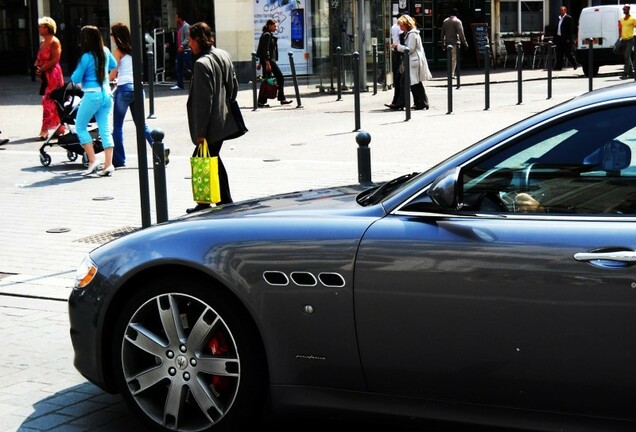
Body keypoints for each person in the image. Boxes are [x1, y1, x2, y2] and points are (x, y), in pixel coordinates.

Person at [186, 22, 240, 213]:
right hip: (223, 120)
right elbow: (234, 89)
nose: (188, 44)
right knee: (213, 159)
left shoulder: (201, 64)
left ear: (197, 40)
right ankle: (222, 201)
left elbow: (203, 102)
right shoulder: (223, 55)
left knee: (203, 159)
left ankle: (214, 202)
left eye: (190, 40)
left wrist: (200, 133)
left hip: (210, 126)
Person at [109, 23, 169, 168]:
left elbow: (112, 73)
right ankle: (160, 148)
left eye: (112, 35)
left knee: (117, 126)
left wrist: (107, 80)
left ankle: (119, 159)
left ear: (116, 36)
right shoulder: (134, 49)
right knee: (142, 124)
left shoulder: (117, 51)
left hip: (124, 89)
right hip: (137, 88)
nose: (110, 37)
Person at [71, 25, 118, 177]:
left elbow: (75, 78)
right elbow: (114, 65)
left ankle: (93, 160)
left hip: (92, 94)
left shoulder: (86, 57)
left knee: (80, 127)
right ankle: (108, 164)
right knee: (104, 129)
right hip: (107, 94)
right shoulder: (105, 51)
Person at [392, 14, 433, 110]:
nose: (400, 27)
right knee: (414, 82)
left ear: (407, 24)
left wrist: (397, 47)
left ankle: (408, 103)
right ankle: (421, 102)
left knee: (409, 82)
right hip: (412, 61)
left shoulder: (412, 34)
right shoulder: (410, 33)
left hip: (413, 62)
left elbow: (409, 49)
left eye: (402, 25)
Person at [34, 16, 65, 141]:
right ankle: (60, 128)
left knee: (48, 100)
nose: (39, 29)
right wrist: (36, 66)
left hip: (53, 75)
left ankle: (44, 130)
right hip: (44, 75)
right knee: (51, 101)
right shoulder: (42, 43)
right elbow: (39, 58)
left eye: (42, 26)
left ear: (48, 28)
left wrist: (43, 68)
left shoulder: (54, 41)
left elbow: (55, 59)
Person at [256, 19, 292, 107]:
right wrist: (267, 62)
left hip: (267, 61)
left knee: (266, 81)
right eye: (274, 26)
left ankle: (262, 101)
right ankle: (280, 98)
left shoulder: (266, 34)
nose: (276, 27)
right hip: (269, 61)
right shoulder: (267, 35)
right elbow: (266, 50)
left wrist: (261, 63)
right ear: (269, 25)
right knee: (279, 77)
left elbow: (262, 49)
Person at [440, 8, 468, 78]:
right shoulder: (457, 21)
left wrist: (443, 43)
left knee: (449, 58)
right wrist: (465, 43)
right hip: (455, 42)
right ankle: (451, 74)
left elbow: (442, 33)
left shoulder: (445, 21)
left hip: (447, 42)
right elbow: (461, 33)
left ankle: (450, 72)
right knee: (453, 59)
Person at [385, 14, 405, 110]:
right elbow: (402, 40)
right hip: (400, 52)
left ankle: (397, 101)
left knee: (400, 78)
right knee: (400, 78)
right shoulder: (400, 28)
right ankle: (398, 101)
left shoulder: (393, 27)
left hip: (397, 52)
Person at [171, 12, 191, 90]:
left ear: (180, 18)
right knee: (178, 67)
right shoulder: (180, 27)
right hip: (180, 51)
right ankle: (180, 84)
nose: (175, 19)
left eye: (176, 17)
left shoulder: (186, 26)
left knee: (189, 67)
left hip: (186, 50)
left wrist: (182, 45)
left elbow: (188, 38)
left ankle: (197, 82)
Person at [554, 6, 578, 71]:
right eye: (560, 10)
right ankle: (559, 66)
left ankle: (574, 64)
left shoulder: (568, 18)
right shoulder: (559, 18)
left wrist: (569, 38)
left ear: (565, 11)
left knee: (568, 53)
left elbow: (570, 29)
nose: (561, 12)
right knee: (559, 53)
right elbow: (557, 28)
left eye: (562, 10)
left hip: (566, 38)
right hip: (559, 37)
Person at [620, 4, 636, 79]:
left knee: (626, 56)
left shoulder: (633, 19)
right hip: (623, 40)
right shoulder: (622, 19)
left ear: (628, 10)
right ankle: (631, 73)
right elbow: (620, 29)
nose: (623, 10)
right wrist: (619, 38)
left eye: (625, 9)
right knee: (626, 57)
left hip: (630, 40)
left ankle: (625, 73)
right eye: (623, 9)